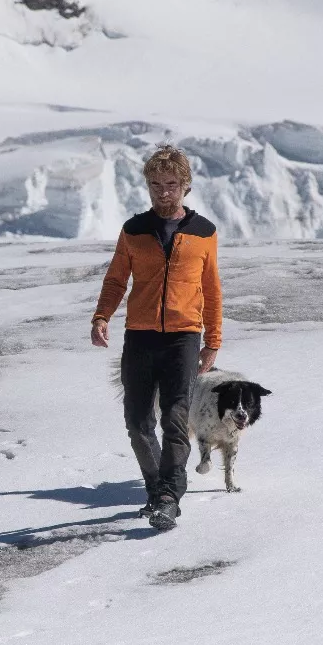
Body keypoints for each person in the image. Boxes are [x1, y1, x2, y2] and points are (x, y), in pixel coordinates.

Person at [90, 145, 222, 531]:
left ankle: (169, 495)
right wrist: (102, 316)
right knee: (137, 420)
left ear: (185, 186)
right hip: (141, 337)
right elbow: (116, 279)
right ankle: (155, 488)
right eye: (155, 185)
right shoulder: (134, 230)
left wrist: (212, 340)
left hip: (183, 337)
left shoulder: (203, 232)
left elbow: (211, 290)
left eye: (171, 184)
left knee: (176, 418)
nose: (163, 192)